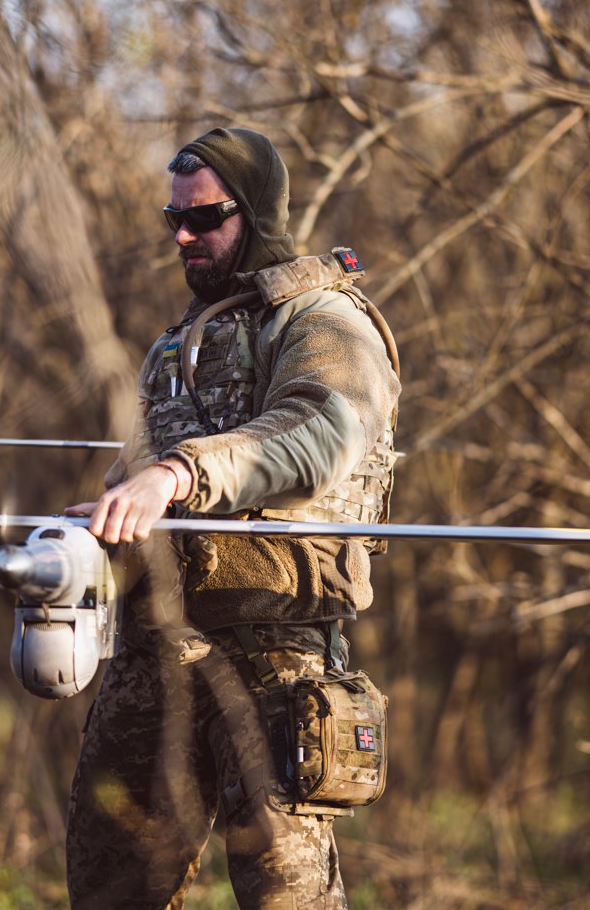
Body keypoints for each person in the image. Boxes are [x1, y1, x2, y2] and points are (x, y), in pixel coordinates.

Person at [63, 127, 400, 909]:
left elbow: (320, 434)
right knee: (111, 889)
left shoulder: (323, 321)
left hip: (275, 654)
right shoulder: (180, 343)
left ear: (255, 213)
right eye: (172, 218)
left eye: (205, 218)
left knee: (287, 897)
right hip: (155, 654)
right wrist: (91, 531)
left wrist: (177, 475)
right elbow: (136, 481)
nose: (183, 235)